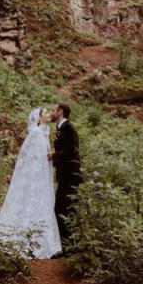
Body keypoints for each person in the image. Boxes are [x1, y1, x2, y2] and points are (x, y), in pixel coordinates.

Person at [0, 108, 62, 259]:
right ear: (39, 118)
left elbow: (43, 156)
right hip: (36, 178)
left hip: (43, 176)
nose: (50, 115)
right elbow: (32, 159)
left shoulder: (44, 132)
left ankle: (43, 239)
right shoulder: (36, 133)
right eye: (46, 113)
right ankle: (31, 240)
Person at [48, 103, 82, 246]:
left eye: (53, 110)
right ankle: (66, 244)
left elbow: (71, 151)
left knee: (63, 209)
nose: (51, 113)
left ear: (60, 112)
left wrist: (54, 156)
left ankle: (66, 245)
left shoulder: (68, 128)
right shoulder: (61, 128)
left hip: (71, 177)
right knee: (64, 209)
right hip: (65, 176)